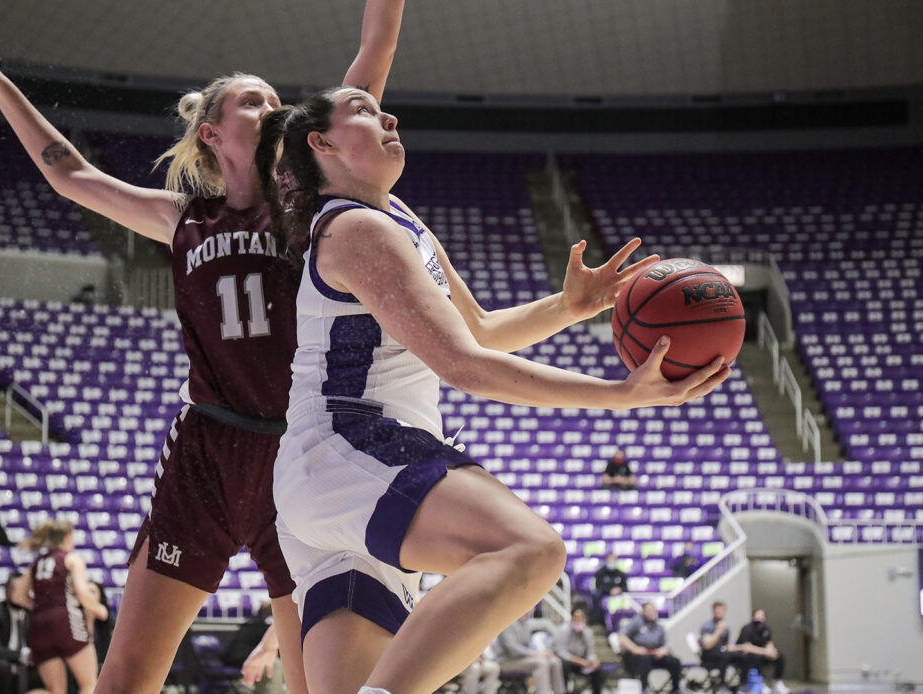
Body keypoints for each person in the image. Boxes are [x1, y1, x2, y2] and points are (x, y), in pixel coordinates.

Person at [0, 2, 405, 692]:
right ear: (211, 131)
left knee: (310, 682)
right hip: (207, 453)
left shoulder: (305, 202)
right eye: (255, 101)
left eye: (279, 102)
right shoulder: (182, 218)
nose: (274, 107)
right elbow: (69, 174)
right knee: (127, 673)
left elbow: (368, 66)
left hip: (299, 455)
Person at [254, 87, 730, 693]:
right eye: (365, 111)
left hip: (333, 481)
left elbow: (477, 330)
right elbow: (465, 367)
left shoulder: (395, 217)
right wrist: (622, 394)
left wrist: (568, 306)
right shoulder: (353, 227)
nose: (390, 114)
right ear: (321, 144)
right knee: (529, 551)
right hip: (350, 446)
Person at [17, 520, 108, 694]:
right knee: (89, 684)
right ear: (68, 536)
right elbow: (82, 592)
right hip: (65, 622)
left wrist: (40, 606)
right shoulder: (71, 559)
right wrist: (98, 608)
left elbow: (18, 595)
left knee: (54, 690)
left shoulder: (37, 563)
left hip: (38, 625)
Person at [618, 602, 683, 694]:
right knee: (644, 660)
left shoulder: (659, 626)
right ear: (644, 612)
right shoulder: (637, 622)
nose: (651, 613)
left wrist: (663, 650)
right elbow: (622, 636)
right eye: (649, 610)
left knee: (675, 661)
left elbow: (666, 644)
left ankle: (676, 689)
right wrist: (634, 649)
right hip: (638, 656)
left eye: (653, 610)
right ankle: (644, 689)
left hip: (655, 655)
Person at [493, 613, 565, 694]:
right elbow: (513, 650)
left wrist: (545, 652)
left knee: (554, 661)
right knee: (541, 663)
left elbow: (545, 623)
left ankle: (560, 692)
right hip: (506, 661)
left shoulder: (526, 623)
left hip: (522, 659)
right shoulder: (507, 624)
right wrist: (535, 654)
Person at [552, 605, 604, 694]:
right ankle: (563, 691)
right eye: (576, 618)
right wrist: (579, 661)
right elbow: (561, 652)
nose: (579, 620)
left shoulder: (587, 632)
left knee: (596, 668)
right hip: (565, 662)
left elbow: (590, 652)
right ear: (572, 618)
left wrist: (593, 660)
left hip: (581, 662)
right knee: (563, 665)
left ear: (585, 619)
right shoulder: (563, 630)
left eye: (581, 618)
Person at [735, 609, 788, 694]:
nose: (759, 618)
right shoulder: (747, 629)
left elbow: (769, 642)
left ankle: (778, 682)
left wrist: (771, 651)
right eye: (757, 615)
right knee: (757, 658)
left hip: (762, 653)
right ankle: (759, 683)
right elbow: (747, 647)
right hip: (747, 655)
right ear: (753, 617)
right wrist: (765, 652)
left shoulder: (766, 629)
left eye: (762, 616)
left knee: (779, 656)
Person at [699, 601, 741, 688]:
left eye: (722, 610)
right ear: (713, 611)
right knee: (724, 656)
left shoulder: (726, 627)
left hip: (723, 653)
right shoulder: (707, 626)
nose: (720, 612)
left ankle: (742, 684)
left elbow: (727, 645)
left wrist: (739, 648)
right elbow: (707, 645)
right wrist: (718, 631)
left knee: (741, 656)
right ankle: (722, 685)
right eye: (718, 610)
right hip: (709, 655)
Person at [85, 582, 115, 669]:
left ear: (100, 597)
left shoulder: (108, 618)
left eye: (92, 592)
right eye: (86, 591)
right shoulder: (73, 619)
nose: (88, 595)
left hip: (104, 666)